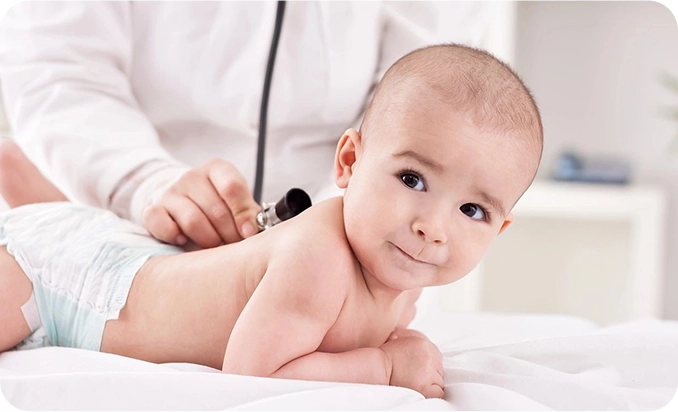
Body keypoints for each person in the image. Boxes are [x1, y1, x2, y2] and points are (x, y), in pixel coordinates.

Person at [0, 44, 543, 399]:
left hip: (126, 262)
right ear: (349, 162)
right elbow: (256, 373)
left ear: (499, 230)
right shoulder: (321, 257)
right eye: (412, 180)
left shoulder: (403, 282)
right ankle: (26, 188)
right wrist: (384, 367)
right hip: (61, 283)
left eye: (472, 210)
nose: (433, 227)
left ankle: (30, 188)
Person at [0, 1, 494, 249]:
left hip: (345, 232)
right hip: (131, 215)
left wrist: (334, 230)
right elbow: (58, 72)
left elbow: (423, 90)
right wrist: (144, 182)